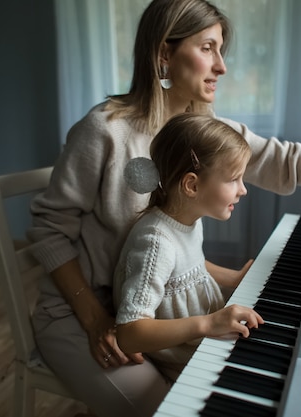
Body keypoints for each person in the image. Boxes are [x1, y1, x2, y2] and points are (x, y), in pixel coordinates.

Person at [27, 0, 301, 416]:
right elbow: (49, 230)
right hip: (79, 311)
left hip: (152, 312)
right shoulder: (104, 130)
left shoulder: (208, 133)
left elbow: (296, 161)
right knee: (166, 407)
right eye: (207, 47)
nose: (222, 66)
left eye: (221, 50)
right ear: (164, 52)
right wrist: (94, 316)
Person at [113, 113, 263, 383]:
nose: (243, 190)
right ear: (192, 185)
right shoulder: (156, 242)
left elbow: (190, 265)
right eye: (233, 179)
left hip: (203, 344)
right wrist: (208, 324)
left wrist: (234, 278)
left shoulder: (186, 219)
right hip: (182, 365)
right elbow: (128, 333)